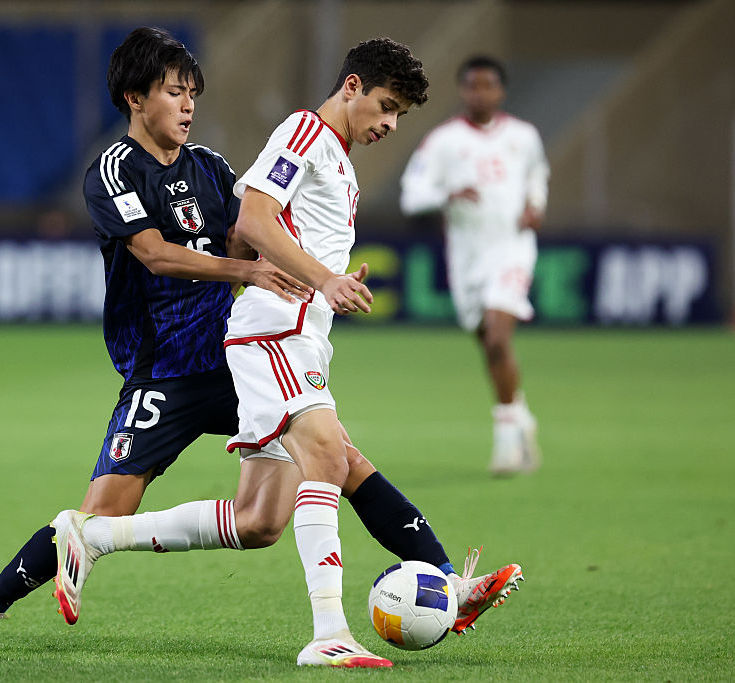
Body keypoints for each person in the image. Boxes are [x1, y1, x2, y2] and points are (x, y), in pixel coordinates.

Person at [52, 39, 523, 668]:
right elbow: (254, 219)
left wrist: (325, 278)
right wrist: (319, 280)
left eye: (399, 116)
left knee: (260, 519)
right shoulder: (304, 131)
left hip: (298, 332)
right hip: (272, 332)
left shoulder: (337, 155)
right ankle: (331, 630)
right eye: (385, 106)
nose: (387, 124)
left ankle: (94, 534)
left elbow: (249, 233)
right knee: (331, 457)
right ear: (352, 86)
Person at [0, 26, 308, 655]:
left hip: (231, 366)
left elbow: (249, 233)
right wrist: (245, 270)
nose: (189, 105)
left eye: (193, 92)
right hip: (161, 374)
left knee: (334, 458)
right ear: (136, 99)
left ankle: (434, 574)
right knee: (93, 521)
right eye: (174, 92)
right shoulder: (114, 171)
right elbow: (155, 255)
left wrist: (309, 269)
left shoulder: (213, 168)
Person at [400, 55, 549, 476]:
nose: (480, 93)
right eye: (472, 86)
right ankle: (520, 416)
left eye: (488, 86)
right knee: (488, 342)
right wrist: (448, 191)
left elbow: (538, 174)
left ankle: (506, 444)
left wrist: (536, 206)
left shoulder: (523, 136)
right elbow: (412, 194)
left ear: (500, 91)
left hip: (512, 248)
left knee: (499, 338)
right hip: (466, 256)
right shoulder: (444, 142)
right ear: (462, 90)